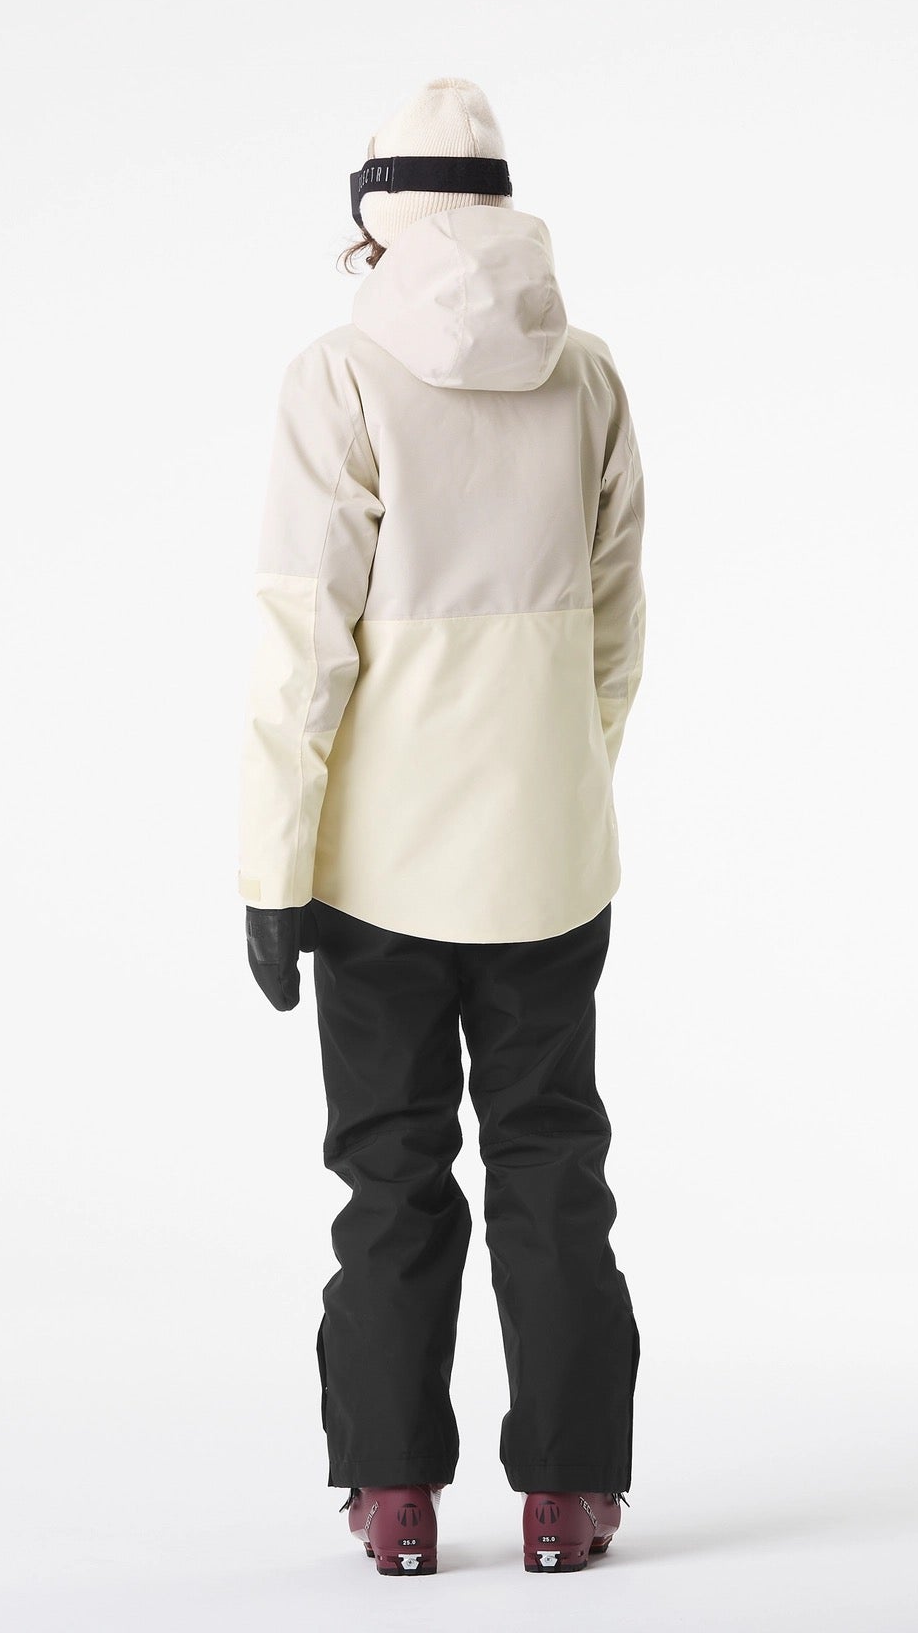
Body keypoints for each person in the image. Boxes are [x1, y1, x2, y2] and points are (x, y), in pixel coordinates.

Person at [236, 76, 646, 1577]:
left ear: (376, 214)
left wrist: (273, 865)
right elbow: (615, 625)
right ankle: (569, 1497)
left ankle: (395, 1494)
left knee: (391, 1175)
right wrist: (559, 777)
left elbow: (304, 642)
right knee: (553, 1168)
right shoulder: (587, 374)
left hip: (376, 867)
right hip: (547, 855)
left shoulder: (338, 377)